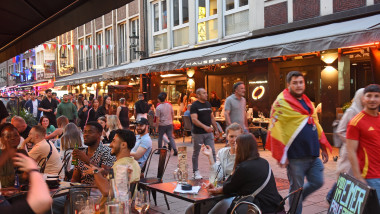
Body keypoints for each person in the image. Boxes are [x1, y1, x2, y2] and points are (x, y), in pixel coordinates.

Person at [266, 71, 332, 214]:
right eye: (295, 83)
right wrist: (281, 154)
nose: (298, 85)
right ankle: (296, 208)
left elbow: (315, 124)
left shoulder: (307, 102)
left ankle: (299, 198)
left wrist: (323, 146)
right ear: (288, 85)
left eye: (300, 82)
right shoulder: (281, 103)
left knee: (318, 181)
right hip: (295, 157)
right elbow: (276, 128)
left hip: (313, 154)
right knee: (296, 190)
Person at [186, 134, 284, 214]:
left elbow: (229, 188)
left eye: (236, 144)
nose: (234, 146)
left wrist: (215, 190)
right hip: (275, 207)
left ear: (241, 148)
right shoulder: (264, 162)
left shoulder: (244, 167)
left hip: (259, 209)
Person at [326, 88, 365, 203]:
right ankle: (331, 196)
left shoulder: (365, 111)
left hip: (361, 152)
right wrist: (351, 142)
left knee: (352, 178)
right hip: (349, 151)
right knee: (346, 176)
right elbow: (340, 130)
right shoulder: (352, 111)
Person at [346, 84, 380, 202]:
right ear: (363, 99)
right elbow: (351, 151)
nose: (372, 99)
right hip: (370, 176)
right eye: (369, 96)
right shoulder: (355, 122)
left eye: (376, 96)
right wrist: (358, 176)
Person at [85, 129, 141, 196]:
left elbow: (107, 191)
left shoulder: (121, 167)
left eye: (114, 141)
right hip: (123, 203)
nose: (110, 145)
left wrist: (96, 172)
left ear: (123, 145)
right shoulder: (134, 163)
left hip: (113, 205)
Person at [190, 88, 219, 179]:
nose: (207, 95)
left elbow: (212, 118)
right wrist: (205, 127)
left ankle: (215, 171)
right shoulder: (194, 105)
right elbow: (194, 120)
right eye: (204, 93)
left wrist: (216, 129)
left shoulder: (208, 104)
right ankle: (195, 172)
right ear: (198, 95)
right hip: (198, 133)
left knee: (213, 152)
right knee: (196, 152)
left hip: (208, 133)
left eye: (206, 93)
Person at [0, 123, 28, 188]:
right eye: (8, 136)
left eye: (16, 135)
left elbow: (31, 174)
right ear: (2, 139)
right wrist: (23, 176)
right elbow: (2, 181)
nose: (13, 138)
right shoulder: (1, 155)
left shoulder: (22, 153)